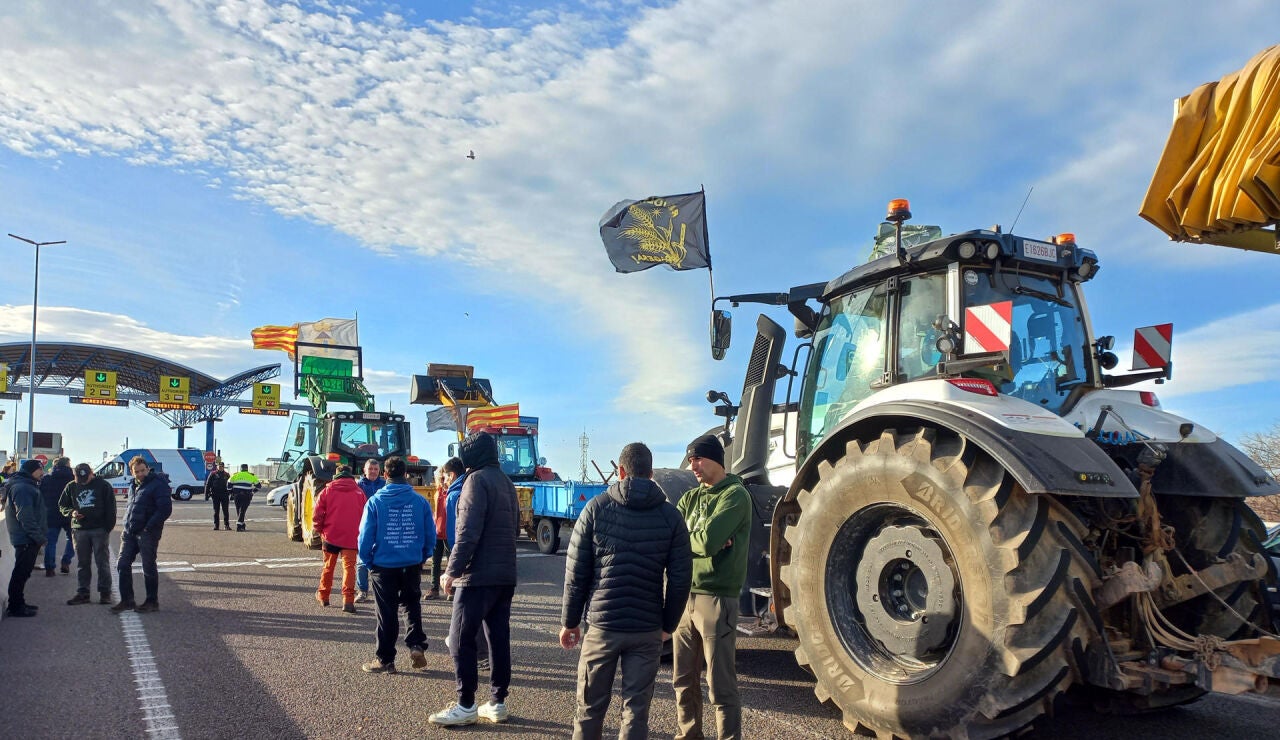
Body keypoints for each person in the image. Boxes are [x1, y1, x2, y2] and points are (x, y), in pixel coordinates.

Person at [560, 442, 692, 740]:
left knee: (590, 708)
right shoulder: (671, 517)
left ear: (620, 471)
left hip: (603, 628)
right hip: (647, 629)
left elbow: (576, 573)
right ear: (651, 472)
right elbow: (681, 578)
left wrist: (570, 622)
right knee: (635, 710)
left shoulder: (596, 509)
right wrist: (668, 625)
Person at [429, 431, 518, 727]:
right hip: (505, 574)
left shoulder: (474, 481)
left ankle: (465, 704)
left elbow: (466, 534)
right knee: (498, 638)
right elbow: (515, 528)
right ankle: (496, 702)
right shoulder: (506, 482)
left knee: (458, 638)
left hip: (477, 576)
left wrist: (452, 571)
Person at [672, 434, 751, 740]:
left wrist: (700, 539)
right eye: (691, 459)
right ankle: (688, 735)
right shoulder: (691, 498)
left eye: (698, 459)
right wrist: (705, 540)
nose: (693, 465)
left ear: (717, 460)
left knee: (720, 685)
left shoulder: (734, 496)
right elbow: (678, 537)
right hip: (684, 597)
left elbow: (708, 540)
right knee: (682, 680)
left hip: (717, 597)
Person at [356, 456, 432, 674]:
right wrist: (423, 555)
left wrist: (367, 561)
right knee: (411, 604)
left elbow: (365, 536)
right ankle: (416, 645)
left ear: (385, 475)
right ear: (406, 474)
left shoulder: (375, 502)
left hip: (383, 565)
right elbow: (429, 534)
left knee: (386, 612)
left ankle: (386, 659)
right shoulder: (420, 502)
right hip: (411, 562)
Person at [113, 456, 173, 613]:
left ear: (147, 469)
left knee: (148, 566)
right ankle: (127, 600)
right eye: (136, 471)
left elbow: (165, 509)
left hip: (147, 532)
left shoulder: (158, 484)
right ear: (132, 472)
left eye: (142, 470)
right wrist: (127, 525)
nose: (140, 474)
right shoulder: (133, 485)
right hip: (130, 531)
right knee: (122, 564)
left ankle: (152, 601)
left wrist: (148, 527)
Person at [60, 462, 117, 605]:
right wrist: (72, 513)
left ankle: (105, 593)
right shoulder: (71, 486)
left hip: (99, 529)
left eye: (86, 479)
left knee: (102, 562)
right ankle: (83, 593)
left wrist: (107, 528)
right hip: (80, 529)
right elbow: (63, 505)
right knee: (82, 563)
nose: (83, 482)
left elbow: (111, 508)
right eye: (80, 479)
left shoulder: (103, 486)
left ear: (92, 473)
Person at [313, 465, 365, 613]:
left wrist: (320, 529)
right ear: (350, 475)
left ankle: (324, 596)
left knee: (328, 566)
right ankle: (348, 601)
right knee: (349, 568)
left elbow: (317, 513)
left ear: (336, 475)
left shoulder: (327, 490)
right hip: (351, 537)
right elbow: (364, 515)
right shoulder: (359, 492)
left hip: (331, 536)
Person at [4, 460, 47, 617]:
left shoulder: (25, 485)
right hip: (26, 538)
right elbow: (25, 516)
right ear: (32, 471)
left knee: (23, 572)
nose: (42, 473)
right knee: (21, 573)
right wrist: (38, 537)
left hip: (26, 538)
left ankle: (19, 603)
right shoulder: (23, 488)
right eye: (40, 470)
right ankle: (15, 606)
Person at [353, 458, 386, 603]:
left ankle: (384, 591)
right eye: (370, 469)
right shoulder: (358, 486)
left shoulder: (385, 485)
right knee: (361, 562)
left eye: (376, 469)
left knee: (384, 561)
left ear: (380, 471)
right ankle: (362, 590)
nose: (373, 472)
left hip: (382, 528)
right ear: (364, 471)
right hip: (365, 527)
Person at [40, 457, 76, 576]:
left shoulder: (47, 478)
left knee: (50, 542)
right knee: (72, 539)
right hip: (69, 513)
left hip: (51, 514)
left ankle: (50, 568)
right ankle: (65, 562)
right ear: (67, 464)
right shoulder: (73, 479)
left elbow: (40, 496)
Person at [425, 465, 451, 600]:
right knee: (435, 562)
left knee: (452, 562)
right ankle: (434, 588)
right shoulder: (438, 493)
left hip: (449, 533)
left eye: (443, 478)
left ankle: (452, 589)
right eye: (438, 478)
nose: (441, 481)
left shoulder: (451, 493)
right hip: (437, 532)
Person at [228, 464, 259, 532]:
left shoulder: (235, 475)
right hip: (246, 495)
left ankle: (242, 525)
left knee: (239, 510)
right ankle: (239, 525)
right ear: (247, 469)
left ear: (240, 469)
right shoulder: (251, 476)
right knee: (242, 510)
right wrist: (252, 492)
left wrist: (231, 493)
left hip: (237, 495)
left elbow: (229, 484)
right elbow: (258, 486)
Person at [205, 461, 231, 531]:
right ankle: (216, 525)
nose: (221, 467)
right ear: (217, 466)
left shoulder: (227, 474)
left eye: (222, 466)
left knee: (225, 511)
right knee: (216, 511)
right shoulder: (213, 474)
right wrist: (206, 495)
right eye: (219, 466)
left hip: (225, 495)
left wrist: (231, 494)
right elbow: (208, 484)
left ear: (223, 467)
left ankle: (226, 525)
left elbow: (231, 485)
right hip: (215, 495)